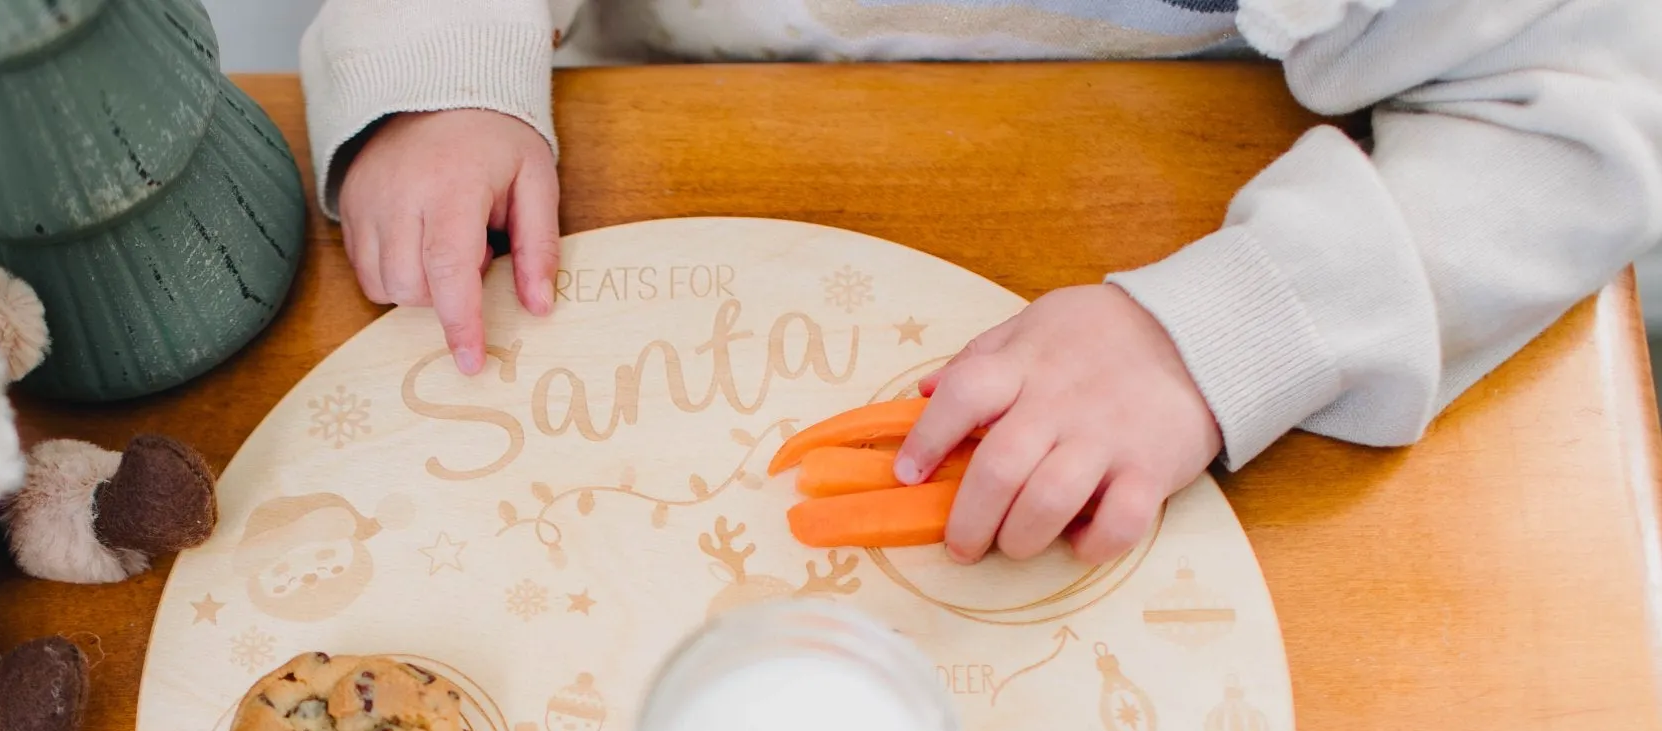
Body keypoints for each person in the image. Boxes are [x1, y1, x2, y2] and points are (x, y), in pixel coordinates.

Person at [296, 0, 1662, 564]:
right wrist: (438, 72)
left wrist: (1221, 335)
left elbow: (1592, 110)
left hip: (1133, 240)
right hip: (660, 151)